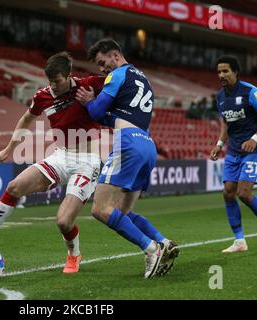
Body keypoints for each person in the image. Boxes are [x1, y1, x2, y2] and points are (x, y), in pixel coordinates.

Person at [0, 52, 104, 273]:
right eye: (50, 81)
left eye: (57, 81)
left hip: (87, 162)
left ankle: (74, 255)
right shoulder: (43, 96)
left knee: (64, 222)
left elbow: (118, 85)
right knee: (14, 187)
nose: (53, 86)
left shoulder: (88, 85)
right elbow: (27, 118)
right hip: (61, 156)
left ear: (68, 75)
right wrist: (10, 148)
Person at [75, 38, 179, 279]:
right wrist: (101, 111)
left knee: (100, 209)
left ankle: (151, 249)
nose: (102, 69)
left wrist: (90, 102)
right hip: (147, 145)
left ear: (115, 55)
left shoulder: (118, 75)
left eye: (102, 62)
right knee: (121, 212)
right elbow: (121, 116)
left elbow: (98, 112)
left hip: (127, 144)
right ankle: (163, 242)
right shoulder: (144, 80)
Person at [209, 55, 257, 253]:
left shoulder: (250, 91)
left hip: (253, 150)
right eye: (219, 72)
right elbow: (225, 121)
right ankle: (240, 241)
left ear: (235, 72)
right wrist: (220, 143)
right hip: (233, 151)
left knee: (244, 193)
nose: (221, 75)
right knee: (228, 192)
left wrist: (254, 138)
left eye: (225, 71)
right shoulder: (220, 96)